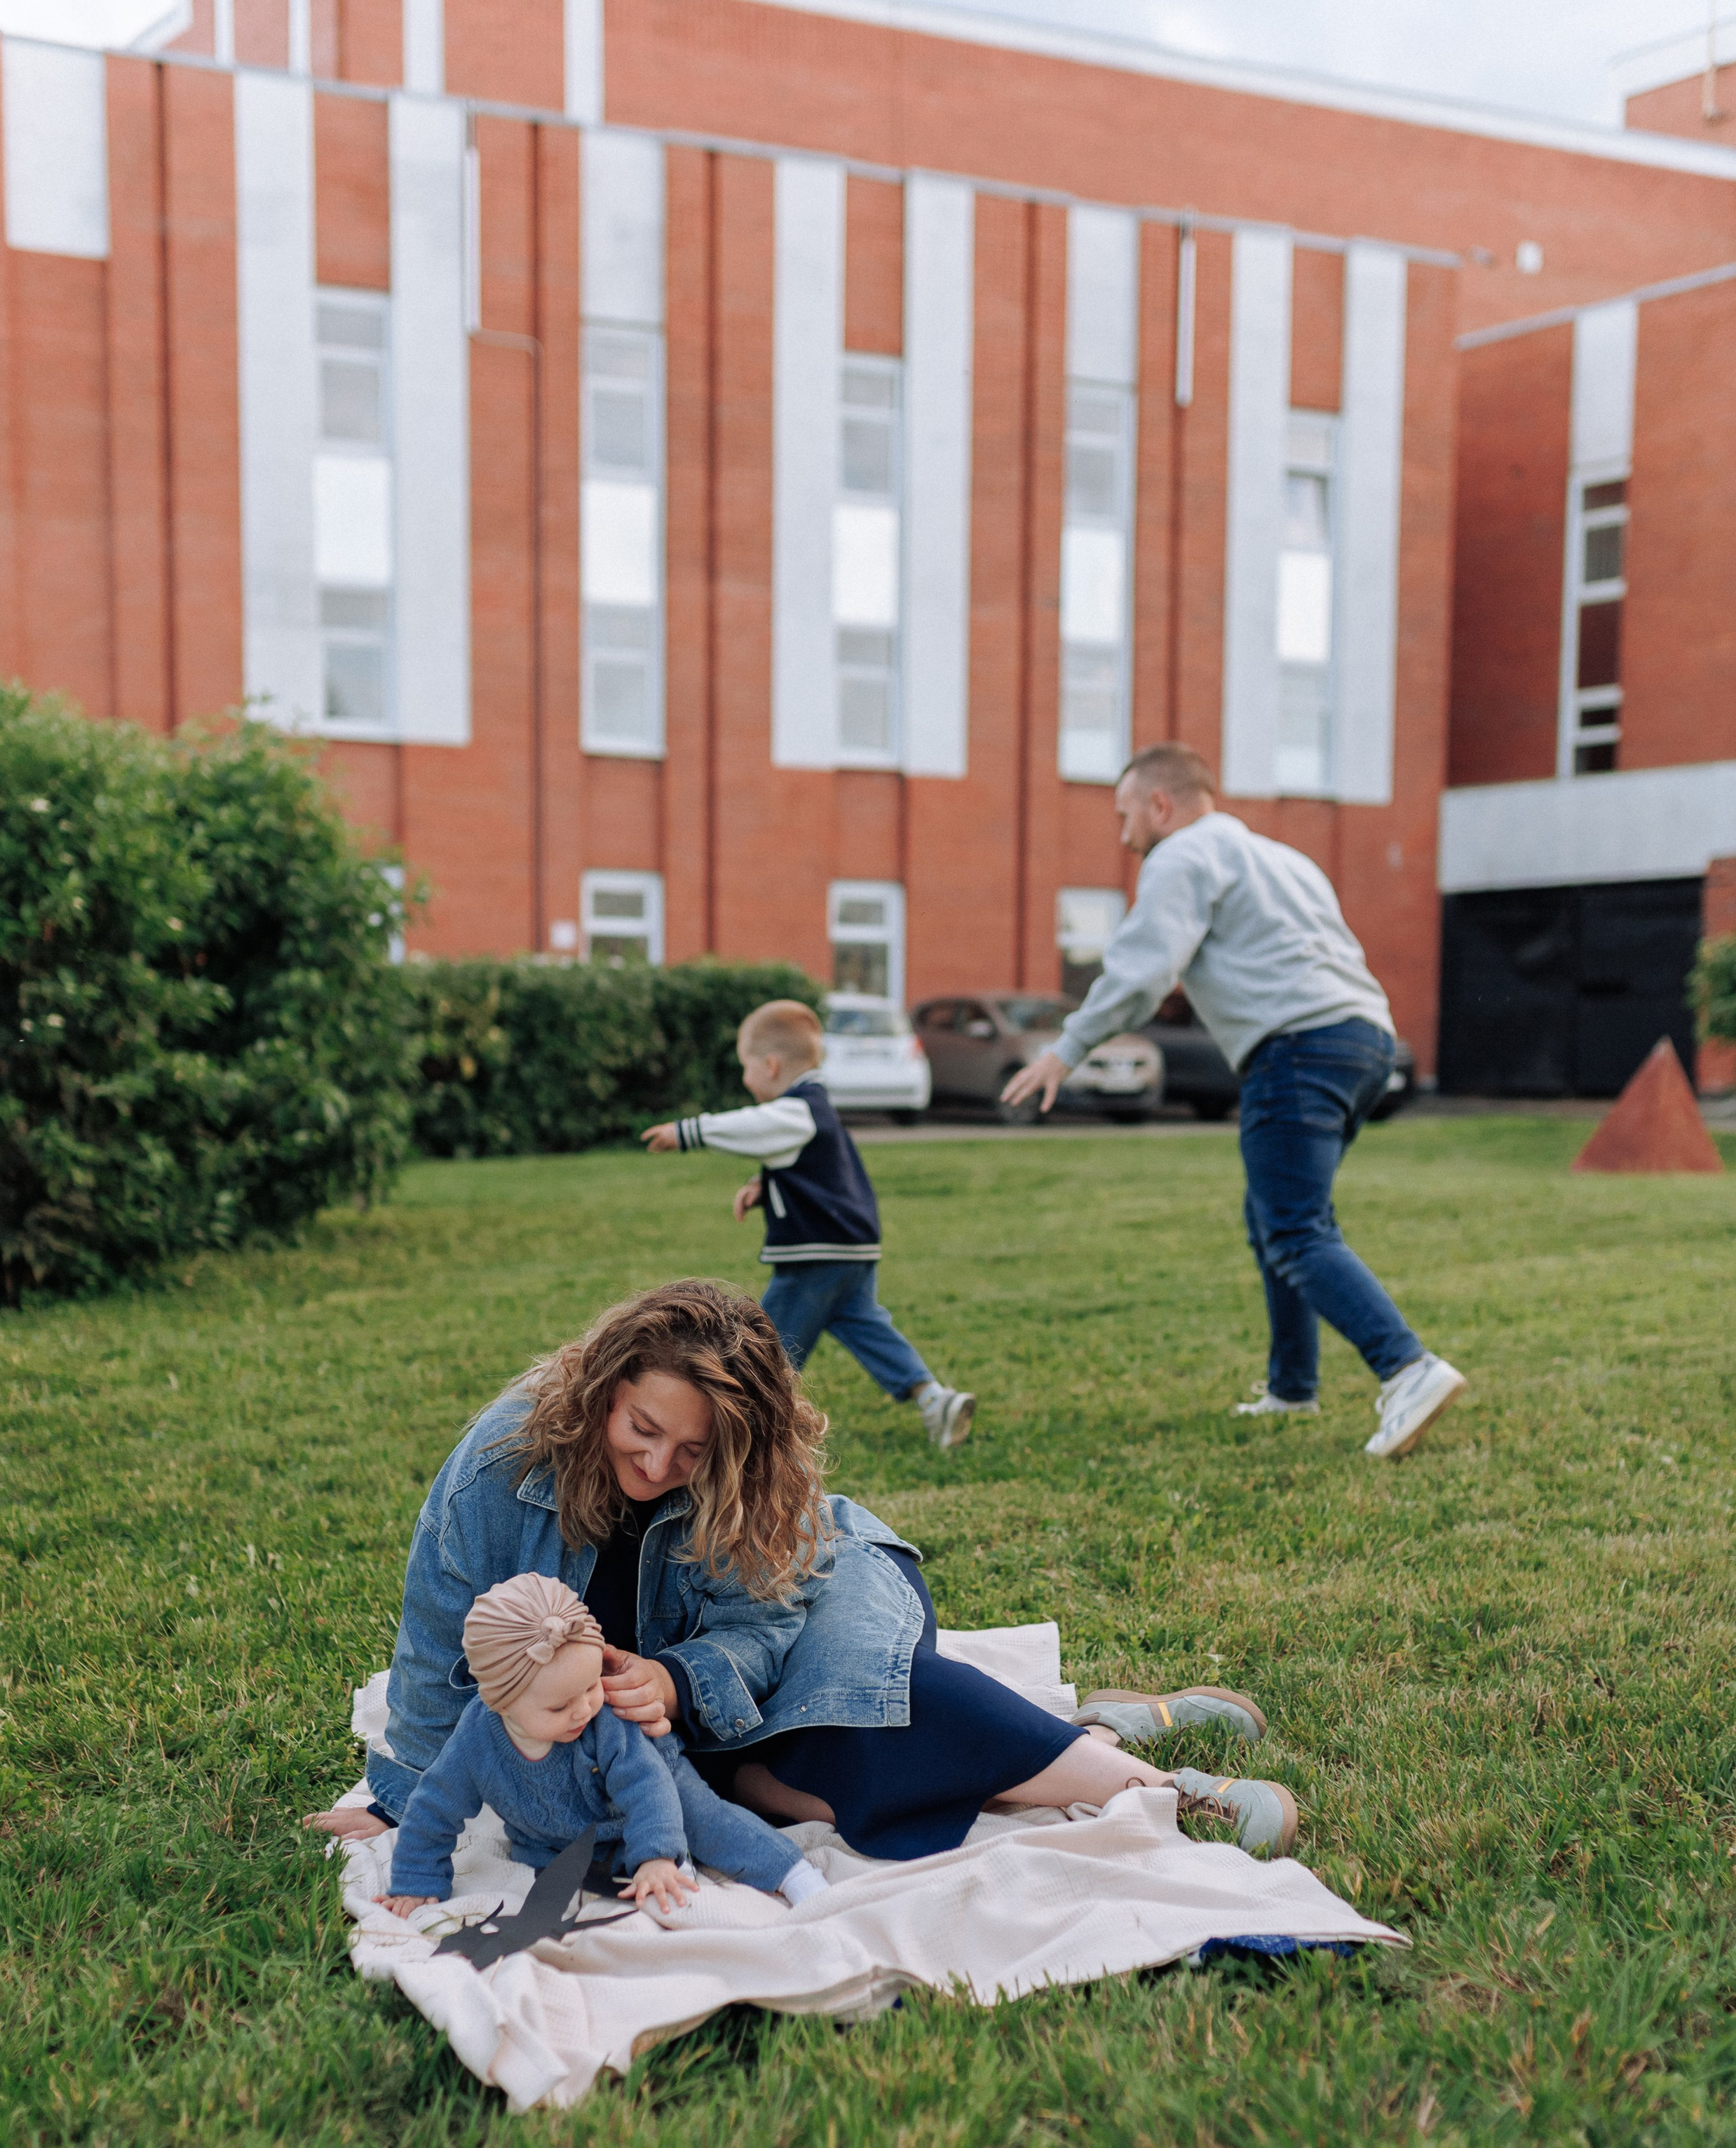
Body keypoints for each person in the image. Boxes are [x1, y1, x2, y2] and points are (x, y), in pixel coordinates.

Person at [303, 1281, 1295, 1865]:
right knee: (769, 1791)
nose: (656, 1467)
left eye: (689, 1453)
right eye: (641, 1430)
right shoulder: (498, 1470)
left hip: (815, 1602)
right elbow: (440, 1638)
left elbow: (765, 1627)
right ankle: (1093, 1732)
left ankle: (1165, 1788)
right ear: (604, 1389)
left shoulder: (749, 1486)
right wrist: (401, 1795)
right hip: (698, 1721)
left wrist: (678, 1678)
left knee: (869, 1706)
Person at [1003, 743, 1467, 1460]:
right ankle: (1292, 1387)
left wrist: (1066, 1047)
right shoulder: (1282, 858)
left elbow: (1142, 971)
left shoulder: (1181, 857)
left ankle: (1407, 1368)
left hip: (1296, 1049)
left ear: (1161, 805)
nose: (1123, 833)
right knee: (1277, 1218)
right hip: (1364, 1042)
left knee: (1292, 1229)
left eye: (1125, 814)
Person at [380, 1572, 827, 1919]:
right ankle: (638, 1864)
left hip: (655, 1785)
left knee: (705, 1821)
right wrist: (417, 1877)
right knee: (568, 1872)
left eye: (592, 1684)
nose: (584, 1709)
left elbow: (646, 1786)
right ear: (501, 1703)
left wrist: (656, 1856)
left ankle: (791, 1873)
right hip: (561, 1833)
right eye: (559, 1707)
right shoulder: (477, 1739)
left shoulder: (607, 1718)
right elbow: (434, 1804)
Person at [639, 997, 976, 1454]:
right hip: (852, 1250)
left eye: (746, 1067)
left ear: (771, 1065)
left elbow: (754, 1127)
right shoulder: (815, 1110)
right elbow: (811, 1169)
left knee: (761, 1346)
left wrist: (687, 1133)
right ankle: (935, 1399)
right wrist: (765, 1184)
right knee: (868, 1328)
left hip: (818, 1255)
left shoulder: (797, 1109)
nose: (744, 1079)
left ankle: (750, 1438)